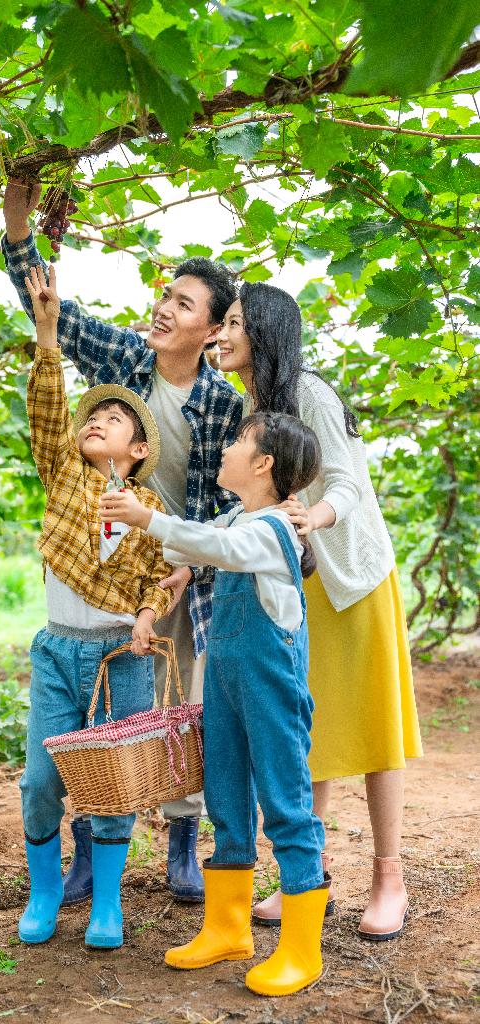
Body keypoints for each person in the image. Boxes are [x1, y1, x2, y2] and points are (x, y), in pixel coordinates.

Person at [2, 178, 243, 903]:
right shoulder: (122, 361)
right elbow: (51, 312)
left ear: (213, 328)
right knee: (104, 711)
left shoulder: (223, 403)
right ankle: (87, 846)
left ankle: (178, 841)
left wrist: (189, 564)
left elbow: (237, 502)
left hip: (186, 570)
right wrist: (20, 230)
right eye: (164, 296)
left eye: (183, 304)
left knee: (178, 704)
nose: (164, 309)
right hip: (112, 567)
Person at [216, 283, 423, 941]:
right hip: (301, 583)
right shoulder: (250, 402)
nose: (220, 334)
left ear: (265, 333)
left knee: (373, 727)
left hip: (353, 580)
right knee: (307, 724)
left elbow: (345, 484)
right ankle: (311, 871)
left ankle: (389, 877)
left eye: (233, 323)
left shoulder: (311, 394)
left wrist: (313, 516)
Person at [100, 411, 331, 996]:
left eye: (237, 442)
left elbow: (224, 545)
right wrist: (182, 571)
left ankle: (303, 948)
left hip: (271, 686)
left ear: (263, 465)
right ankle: (228, 926)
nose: (225, 449)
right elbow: (211, 544)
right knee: (225, 792)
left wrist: (146, 519)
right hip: (227, 682)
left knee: (284, 801)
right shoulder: (241, 514)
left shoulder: (274, 529)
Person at [18, 263, 175, 950]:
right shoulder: (64, 477)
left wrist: (145, 618)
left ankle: (107, 903)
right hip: (57, 650)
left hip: (119, 657)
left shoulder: (150, 511)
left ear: (137, 452)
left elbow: (154, 581)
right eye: (92, 418)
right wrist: (47, 335)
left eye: (112, 421)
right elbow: (49, 411)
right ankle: (46, 891)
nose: (95, 423)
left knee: (112, 786)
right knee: (40, 780)